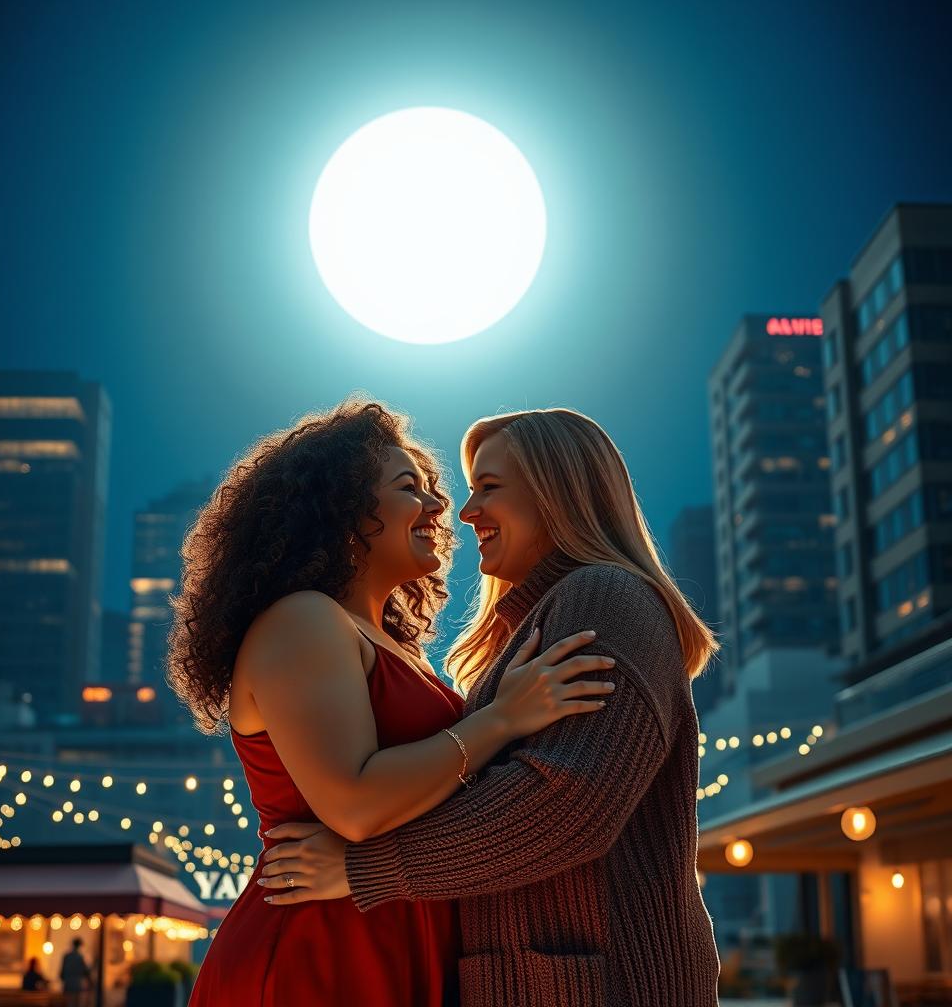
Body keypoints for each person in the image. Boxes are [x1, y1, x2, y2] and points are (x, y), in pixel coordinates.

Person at [260, 408, 723, 1007]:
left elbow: (565, 805)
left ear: (559, 492)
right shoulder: (536, 625)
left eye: (490, 488)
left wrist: (362, 868)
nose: (467, 511)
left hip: (604, 986)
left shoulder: (606, 597)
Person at [169, 399, 614, 1007]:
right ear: (341, 509)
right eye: (412, 488)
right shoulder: (303, 620)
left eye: (432, 487)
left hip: (395, 930)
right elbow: (353, 804)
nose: (441, 507)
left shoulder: (394, 648)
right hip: (319, 950)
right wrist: (503, 718)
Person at [59, 938, 91, 1006]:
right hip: (77, 985)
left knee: (69, 1004)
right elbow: (86, 971)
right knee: (76, 1004)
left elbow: (62, 973)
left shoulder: (67, 956)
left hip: (68, 985)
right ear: (79, 946)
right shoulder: (79, 957)